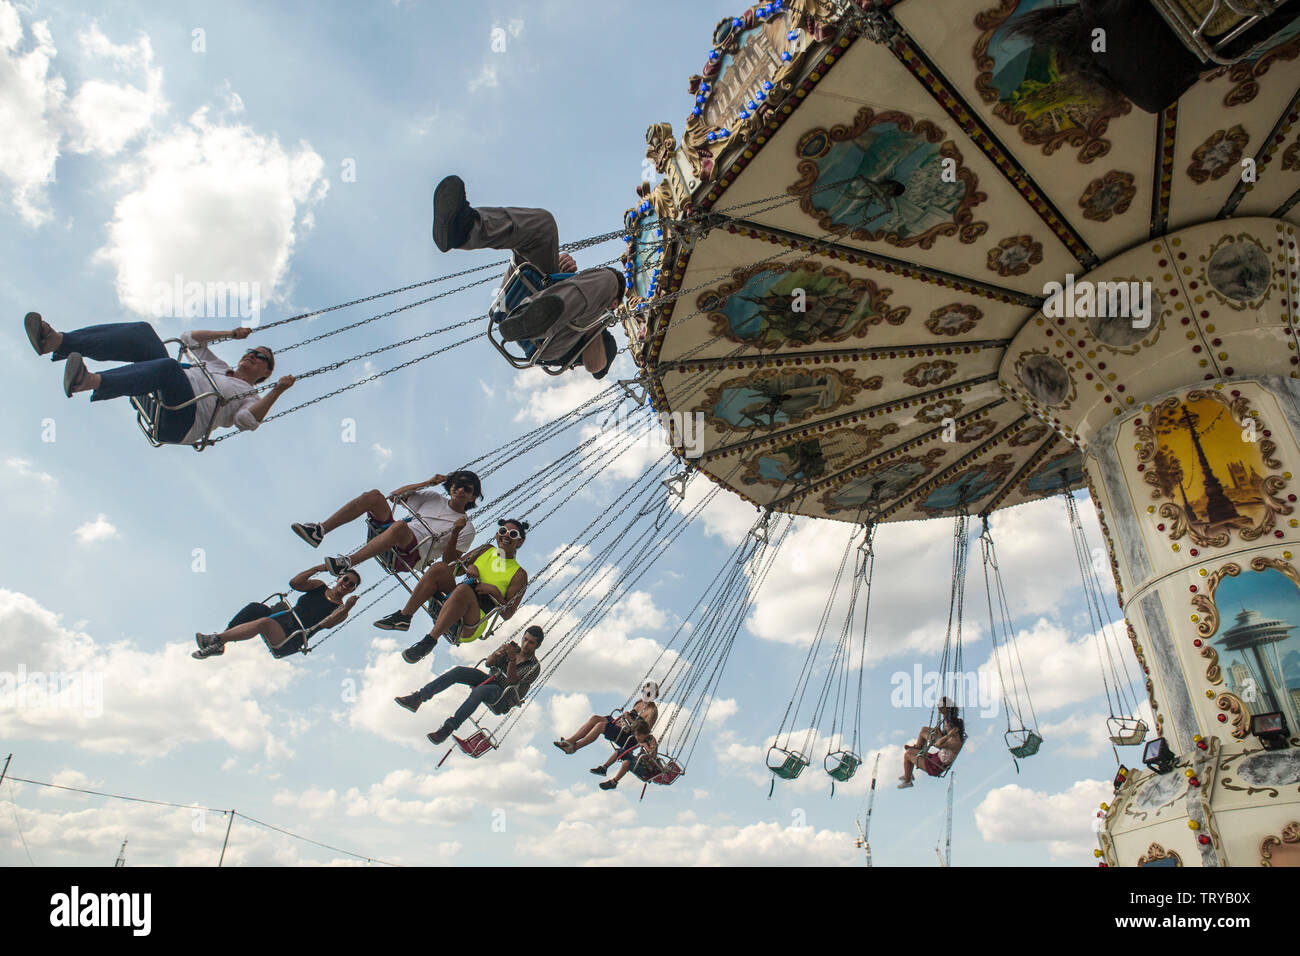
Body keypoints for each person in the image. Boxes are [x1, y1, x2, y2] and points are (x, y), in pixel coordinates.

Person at [431, 175, 621, 378]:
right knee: (544, 225)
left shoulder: (604, 336)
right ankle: (464, 229)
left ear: (615, 303)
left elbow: (596, 366)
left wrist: (596, 317)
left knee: (610, 279)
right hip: (516, 298)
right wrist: (561, 270)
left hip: (550, 340)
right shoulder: (580, 289)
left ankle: (533, 316)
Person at [23, 314, 294, 445]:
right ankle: (56, 342)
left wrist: (277, 391)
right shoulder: (219, 366)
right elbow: (190, 339)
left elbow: (246, 421)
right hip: (160, 395)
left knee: (169, 368)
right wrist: (231, 333)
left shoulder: (250, 396)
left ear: (266, 373)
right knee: (143, 332)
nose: (253, 356)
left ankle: (89, 381)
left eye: (261, 358)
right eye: (252, 352)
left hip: (181, 421)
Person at [385, 518, 530, 663]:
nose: (505, 536)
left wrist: (494, 591)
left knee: (463, 590)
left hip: (474, 620)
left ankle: (429, 641)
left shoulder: (519, 574)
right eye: (503, 531)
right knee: (439, 568)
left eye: (512, 534)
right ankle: (404, 616)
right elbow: (454, 567)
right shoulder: (486, 549)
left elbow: (508, 613)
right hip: (455, 598)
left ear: (520, 542)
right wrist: (471, 565)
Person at [290, 470, 481, 577]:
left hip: (410, 555)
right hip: (396, 534)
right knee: (373, 496)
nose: (460, 489)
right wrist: (427, 483)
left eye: (467, 488)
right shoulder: (433, 497)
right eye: (458, 484)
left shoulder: (467, 528)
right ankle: (319, 530)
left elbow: (449, 562)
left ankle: (347, 562)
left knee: (400, 527)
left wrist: (455, 533)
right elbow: (394, 497)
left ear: (473, 496)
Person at [393, 626, 544, 744]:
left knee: (480, 691)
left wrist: (511, 660)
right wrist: (498, 654)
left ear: (537, 645)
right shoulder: (513, 649)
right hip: (491, 680)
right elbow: (488, 663)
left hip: (504, 696)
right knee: (458, 671)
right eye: (525, 639)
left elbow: (512, 681)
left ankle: (448, 728)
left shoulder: (534, 667)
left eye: (531, 642)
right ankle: (419, 697)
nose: (525, 644)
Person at [192, 566, 360, 659]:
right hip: (283, 619)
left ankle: (216, 640)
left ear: (353, 589)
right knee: (255, 608)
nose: (346, 584)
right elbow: (295, 583)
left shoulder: (341, 609)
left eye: (351, 584)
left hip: (292, 636)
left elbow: (328, 623)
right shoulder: (319, 586)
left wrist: (348, 607)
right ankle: (220, 642)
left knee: (264, 623)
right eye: (345, 579)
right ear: (339, 578)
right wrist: (321, 567)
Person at [554, 680, 660, 757]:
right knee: (595, 718)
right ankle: (570, 742)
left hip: (629, 737)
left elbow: (644, 733)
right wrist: (625, 716)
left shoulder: (652, 711)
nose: (645, 695)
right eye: (644, 692)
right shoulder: (639, 702)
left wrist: (630, 719)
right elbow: (630, 716)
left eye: (648, 693)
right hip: (622, 725)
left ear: (653, 695)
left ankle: (574, 748)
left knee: (601, 726)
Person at [898, 697, 966, 788]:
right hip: (936, 758)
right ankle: (909, 773)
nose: (939, 708)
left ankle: (908, 781)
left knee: (907, 754)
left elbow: (938, 744)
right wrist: (943, 733)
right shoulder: (952, 728)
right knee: (922, 731)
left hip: (935, 766)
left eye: (942, 706)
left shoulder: (954, 740)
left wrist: (947, 735)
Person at [595, 719, 658, 791]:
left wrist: (645, 745)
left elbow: (652, 755)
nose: (637, 737)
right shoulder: (641, 739)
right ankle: (604, 768)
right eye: (635, 735)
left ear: (646, 733)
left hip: (647, 769)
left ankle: (613, 782)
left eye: (639, 735)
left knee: (626, 763)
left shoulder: (651, 740)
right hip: (638, 761)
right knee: (620, 751)